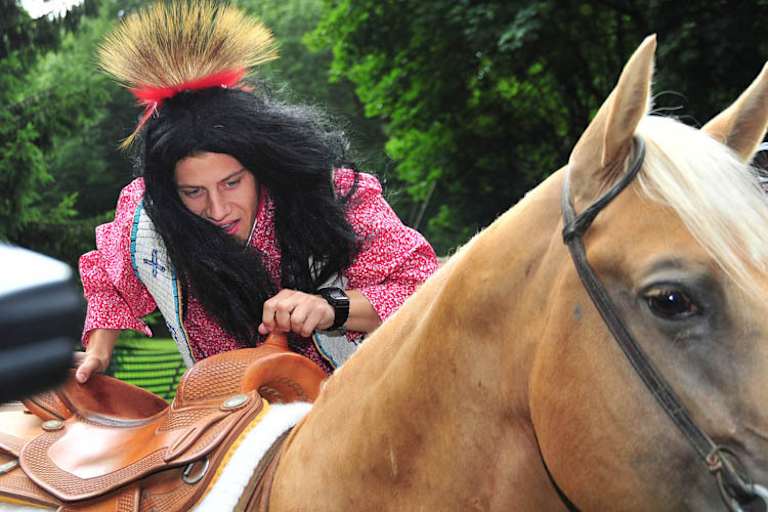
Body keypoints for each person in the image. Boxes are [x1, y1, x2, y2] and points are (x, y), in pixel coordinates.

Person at [75, 1, 438, 382]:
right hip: (224, 407)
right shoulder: (147, 218)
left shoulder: (334, 195)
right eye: (193, 191)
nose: (217, 209)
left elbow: (420, 286)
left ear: (262, 166)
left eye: (232, 183)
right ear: (169, 191)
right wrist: (97, 353)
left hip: (349, 403)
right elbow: (108, 278)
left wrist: (330, 307)